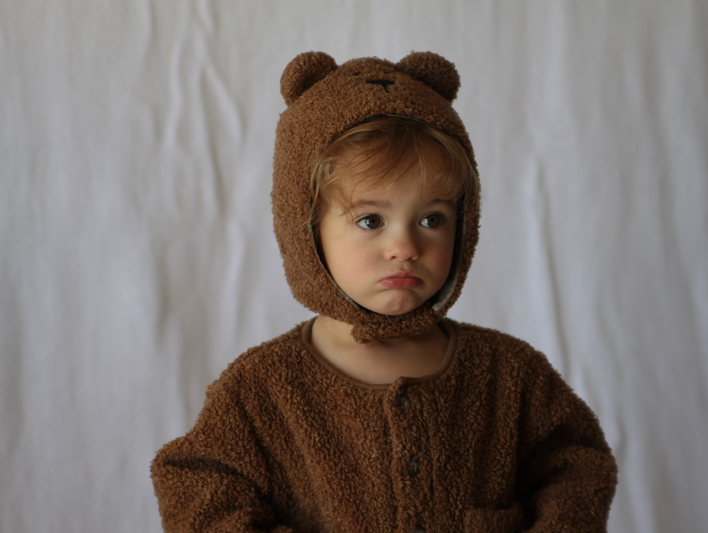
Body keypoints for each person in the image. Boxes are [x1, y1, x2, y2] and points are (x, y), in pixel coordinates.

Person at [151, 51, 617, 533]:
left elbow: (578, 465)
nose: (405, 247)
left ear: (465, 225)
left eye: (432, 219)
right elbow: (197, 492)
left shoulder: (509, 374)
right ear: (305, 229)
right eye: (370, 220)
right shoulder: (260, 389)